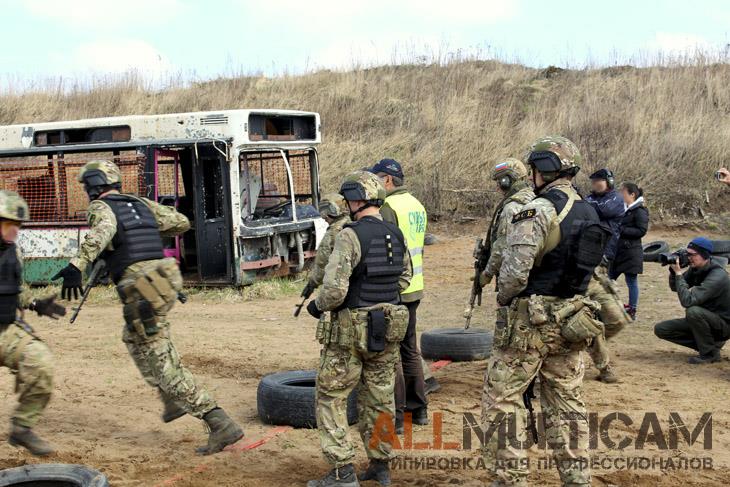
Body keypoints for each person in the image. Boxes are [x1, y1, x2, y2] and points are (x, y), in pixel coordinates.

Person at [51, 160, 243, 455]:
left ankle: (218, 421)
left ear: (93, 186)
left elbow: (104, 229)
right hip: (165, 277)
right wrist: (138, 235)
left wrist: (78, 264)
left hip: (142, 287)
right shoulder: (138, 203)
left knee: (162, 362)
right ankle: (169, 399)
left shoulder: (101, 208)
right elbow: (180, 222)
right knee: (132, 337)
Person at [483, 135, 606, 487]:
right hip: (572, 320)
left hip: (529, 321)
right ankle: (577, 478)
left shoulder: (538, 209)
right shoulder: (589, 210)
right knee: (567, 404)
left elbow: (514, 273)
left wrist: (503, 299)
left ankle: (511, 480)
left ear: (543, 169)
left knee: (503, 402)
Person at [307, 171, 411, 487]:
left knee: (331, 396)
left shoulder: (350, 235)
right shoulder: (395, 233)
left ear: (355, 200)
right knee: (380, 398)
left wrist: (317, 305)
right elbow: (404, 279)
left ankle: (342, 471)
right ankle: (380, 466)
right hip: (387, 330)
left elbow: (334, 290)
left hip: (350, 332)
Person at [0, 190, 65, 456]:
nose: (15, 230)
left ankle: (22, 427)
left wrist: (36, 304)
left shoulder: (12, 253)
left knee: (40, 365)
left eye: (17, 225)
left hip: (5, 329)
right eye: (8, 224)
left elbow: (17, 289)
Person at [370, 158, 431, 432]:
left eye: (376, 179)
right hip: (414, 286)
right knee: (410, 350)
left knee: (390, 354)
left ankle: (396, 417)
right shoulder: (416, 205)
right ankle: (419, 410)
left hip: (394, 288)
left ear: (388, 180)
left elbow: (384, 249)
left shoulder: (388, 207)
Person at [654, 237, 730, 364]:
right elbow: (675, 287)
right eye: (687, 253)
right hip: (708, 319)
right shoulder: (697, 268)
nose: (688, 257)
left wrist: (679, 274)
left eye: (691, 255)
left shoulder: (717, 275)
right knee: (662, 329)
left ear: (704, 255)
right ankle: (711, 346)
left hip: (724, 325)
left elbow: (688, 301)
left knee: (693, 311)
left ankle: (709, 354)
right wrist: (673, 273)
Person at [480, 158, 535, 284]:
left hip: (516, 274)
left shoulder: (512, 206)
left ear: (507, 181)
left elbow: (502, 244)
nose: (498, 186)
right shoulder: (534, 197)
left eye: (500, 181)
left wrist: (487, 273)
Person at [609, 182, 649, 320]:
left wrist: (621, 230)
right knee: (608, 279)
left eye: (624, 193)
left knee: (631, 281)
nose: (621, 195)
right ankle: (608, 306)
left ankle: (632, 309)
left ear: (632, 195)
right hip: (618, 252)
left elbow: (641, 231)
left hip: (631, 252)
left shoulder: (640, 211)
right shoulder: (623, 208)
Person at [303, 193, 351, 296]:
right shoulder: (353, 224)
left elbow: (322, 262)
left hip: (340, 284)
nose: (323, 216)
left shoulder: (333, 232)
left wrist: (312, 283)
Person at [585, 168, 625, 265]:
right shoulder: (592, 197)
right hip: (591, 244)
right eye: (593, 181)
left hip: (607, 246)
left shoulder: (616, 197)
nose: (593, 184)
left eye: (596, 181)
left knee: (603, 277)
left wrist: (586, 204)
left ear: (608, 182)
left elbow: (605, 210)